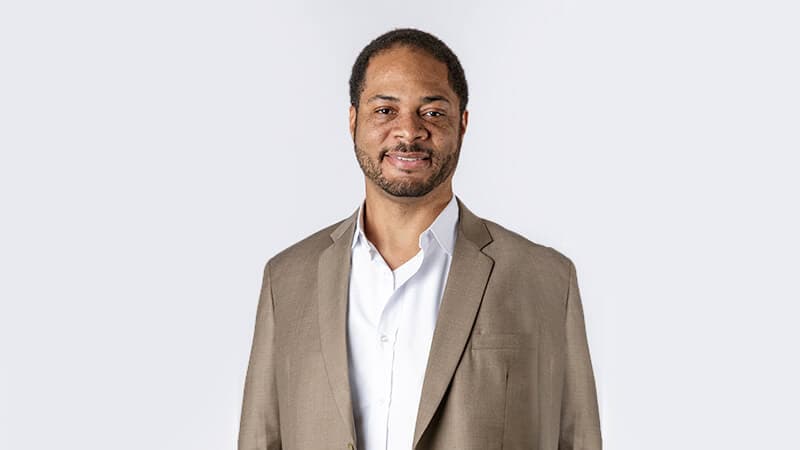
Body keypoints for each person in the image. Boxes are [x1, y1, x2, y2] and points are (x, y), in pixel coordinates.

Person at [238, 28, 602, 450]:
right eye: (385, 110)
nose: (408, 132)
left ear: (462, 123)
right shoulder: (287, 279)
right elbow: (260, 438)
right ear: (353, 120)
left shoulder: (544, 278)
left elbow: (577, 438)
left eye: (432, 113)